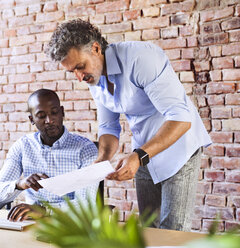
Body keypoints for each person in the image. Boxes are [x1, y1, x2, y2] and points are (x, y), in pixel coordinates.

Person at [46, 19, 212, 231]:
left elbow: (180, 118)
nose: (79, 77)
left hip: (178, 147)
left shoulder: (141, 59)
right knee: (148, 228)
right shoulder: (94, 77)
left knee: (173, 231)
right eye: (72, 72)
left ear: (96, 48)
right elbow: (109, 126)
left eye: (80, 67)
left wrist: (139, 156)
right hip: (143, 151)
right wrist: (102, 160)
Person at [0, 88, 98, 221]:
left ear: (62, 112)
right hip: (30, 223)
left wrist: (45, 211)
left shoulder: (85, 149)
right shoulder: (23, 146)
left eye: (54, 113)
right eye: (41, 116)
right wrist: (20, 184)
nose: (49, 120)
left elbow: (86, 205)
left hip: (70, 224)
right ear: (32, 119)